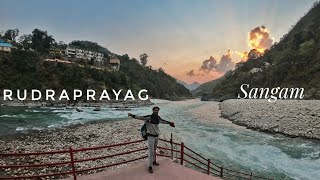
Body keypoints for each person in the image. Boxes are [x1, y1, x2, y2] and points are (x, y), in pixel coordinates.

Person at [128, 106, 175, 173]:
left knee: (154, 150)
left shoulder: (158, 118)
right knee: (151, 151)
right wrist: (132, 115)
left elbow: (163, 121)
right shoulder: (149, 117)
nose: (157, 111)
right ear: (153, 110)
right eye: (155, 110)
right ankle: (150, 166)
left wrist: (169, 123)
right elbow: (140, 117)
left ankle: (154, 161)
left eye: (157, 110)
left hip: (156, 136)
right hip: (150, 136)